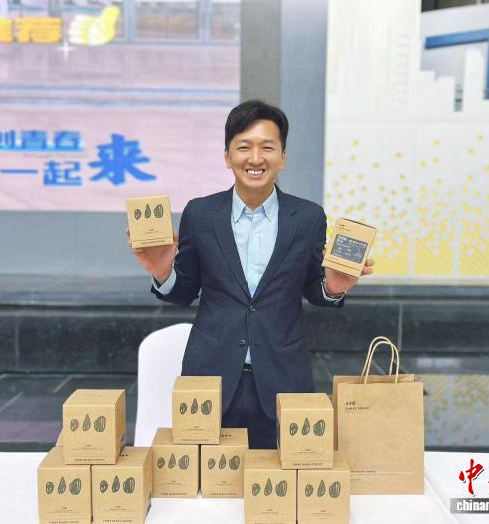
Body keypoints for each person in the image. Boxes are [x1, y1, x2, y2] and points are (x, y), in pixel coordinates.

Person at [129, 100, 374, 449]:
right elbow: (184, 292)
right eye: (244, 147)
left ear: (282, 157)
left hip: (283, 377)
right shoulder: (200, 214)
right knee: (208, 481)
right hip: (210, 378)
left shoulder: (307, 217)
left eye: (267, 148)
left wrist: (333, 288)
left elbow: (313, 288)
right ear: (227, 156)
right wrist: (162, 271)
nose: (255, 158)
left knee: (280, 478)